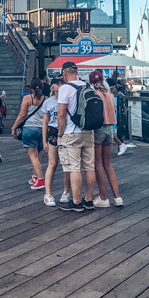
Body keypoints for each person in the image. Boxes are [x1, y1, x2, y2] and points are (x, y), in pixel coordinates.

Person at [57, 61, 96, 212]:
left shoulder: (65, 88)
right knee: (89, 167)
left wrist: (60, 133)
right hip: (88, 131)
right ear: (77, 72)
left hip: (71, 132)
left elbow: (61, 114)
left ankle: (76, 201)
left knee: (74, 168)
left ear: (65, 73)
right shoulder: (88, 86)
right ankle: (89, 199)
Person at [89, 70, 123, 207]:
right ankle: (117, 197)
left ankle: (104, 197)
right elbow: (113, 108)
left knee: (98, 164)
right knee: (108, 165)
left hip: (98, 129)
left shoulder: (94, 95)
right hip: (110, 129)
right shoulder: (109, 94)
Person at [41, 79, 72, 206]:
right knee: (52, 163)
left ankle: (66, 191)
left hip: (66, 131)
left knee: (66, 164)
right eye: (58, 83)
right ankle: (47, 193)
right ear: (52, 86)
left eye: (62, 83)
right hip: (53, 132)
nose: (60, 86)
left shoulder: (68, 100)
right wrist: (44, 141)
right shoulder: (48, 102)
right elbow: (45, 122)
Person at [11, 79, 46, 190]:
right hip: (42, 129)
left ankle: (40, 180)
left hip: (29, 129)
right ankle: (35, 176)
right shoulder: (46, 99)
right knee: (37, 153)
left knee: (32, 155)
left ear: (31, 88)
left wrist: (14, 127)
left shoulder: (27, 98)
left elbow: (22, 115)